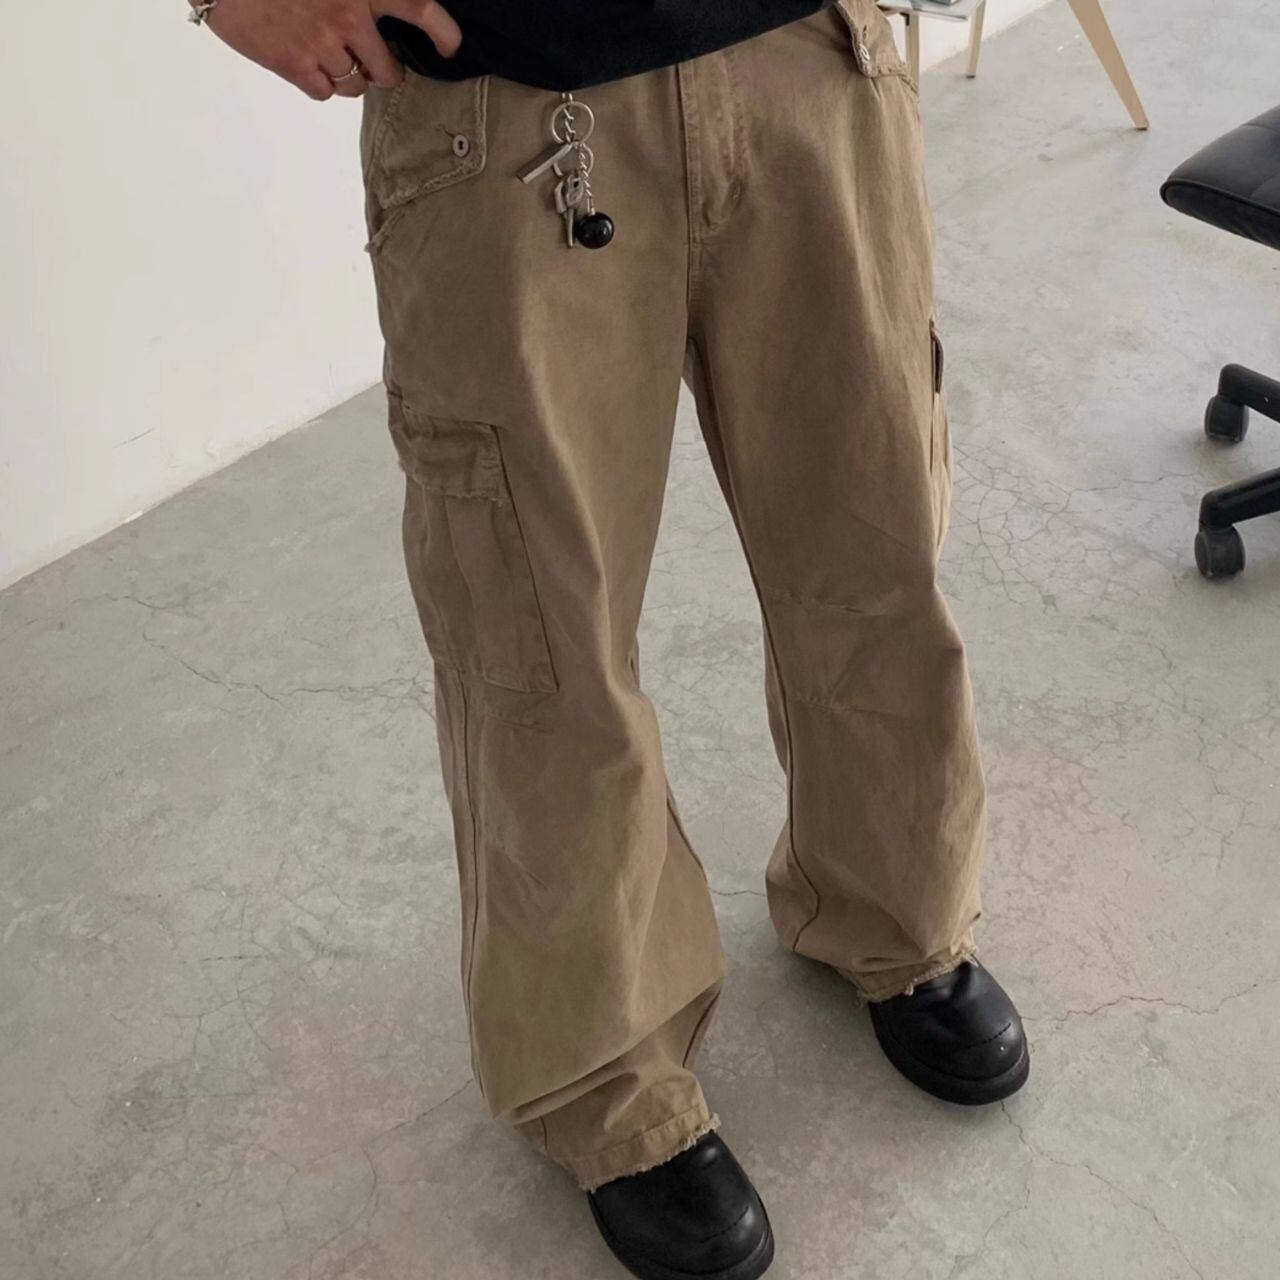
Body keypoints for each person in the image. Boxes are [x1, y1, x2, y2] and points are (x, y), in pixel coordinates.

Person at [188, 2, 1029, 1276]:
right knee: (538, 633)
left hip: (806, 58)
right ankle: (605, 1074)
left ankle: (897, 912)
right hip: (509, 99)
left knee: (875, 548)